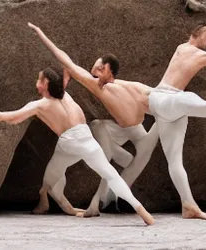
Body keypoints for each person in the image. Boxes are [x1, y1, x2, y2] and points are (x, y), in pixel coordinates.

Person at [92, 20, 206, 221]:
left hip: (168, 108)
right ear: (197, 32)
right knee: (189, 101)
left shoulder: (184, 49)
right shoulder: (192, 52)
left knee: (175, 161)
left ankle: (188, 205)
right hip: (164, 99)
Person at [0, 69, 156, 226]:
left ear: (45, 85)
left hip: (71, 141)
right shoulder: (66, 95)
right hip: (85, 140)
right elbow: (65, 82)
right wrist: (66, 73)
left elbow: (4, 117)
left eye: (39, 80)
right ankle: (139, 209)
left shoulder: (40, 104)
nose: (36, 83)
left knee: (52, 179)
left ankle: (59, 203)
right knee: (104, 174)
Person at [25, 23, 157, 218]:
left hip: (118, 132)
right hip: (96, 134)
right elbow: (65, 60)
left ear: (109, 73)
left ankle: (111, 201)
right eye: (97, 68)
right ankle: (93, 202)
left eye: (101, 69)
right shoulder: (91, 86)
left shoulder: (122, 86)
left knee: (129, 159)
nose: (96, 70)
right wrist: (41, 34)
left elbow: (151, 96)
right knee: (58, 178)